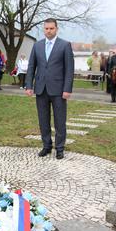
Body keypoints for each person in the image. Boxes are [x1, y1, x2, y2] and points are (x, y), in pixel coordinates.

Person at [25, 18, 74, 160]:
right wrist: (29, 85)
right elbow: (31, 67)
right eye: (46, 28)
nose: (49, 31)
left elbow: (69, 69)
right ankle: (46, 146)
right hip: (40, 89)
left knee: (60, 120)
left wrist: (67, 89)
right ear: (43, 29)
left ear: (56, 29)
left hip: (59, 90)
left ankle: (59, 148)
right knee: (43, 120)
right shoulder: (37, 46)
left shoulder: (65, 45)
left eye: (51, 28)